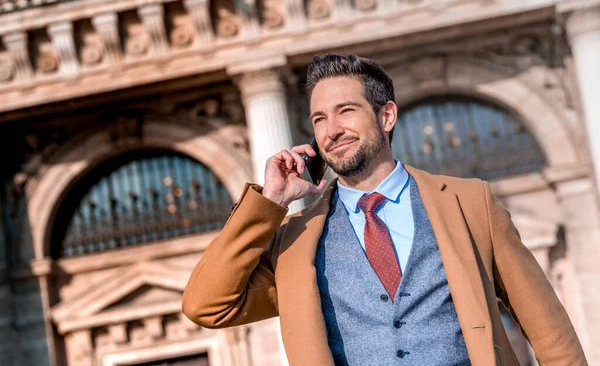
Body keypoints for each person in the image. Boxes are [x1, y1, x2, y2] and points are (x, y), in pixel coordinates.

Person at [182, 54, 586, 365]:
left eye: (346, 111)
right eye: (319, 118)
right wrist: (270, 203)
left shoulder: (469, 202)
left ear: (386, 115)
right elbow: (206, 304)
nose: (331, 130)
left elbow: (548, 330)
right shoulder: (296, 240)